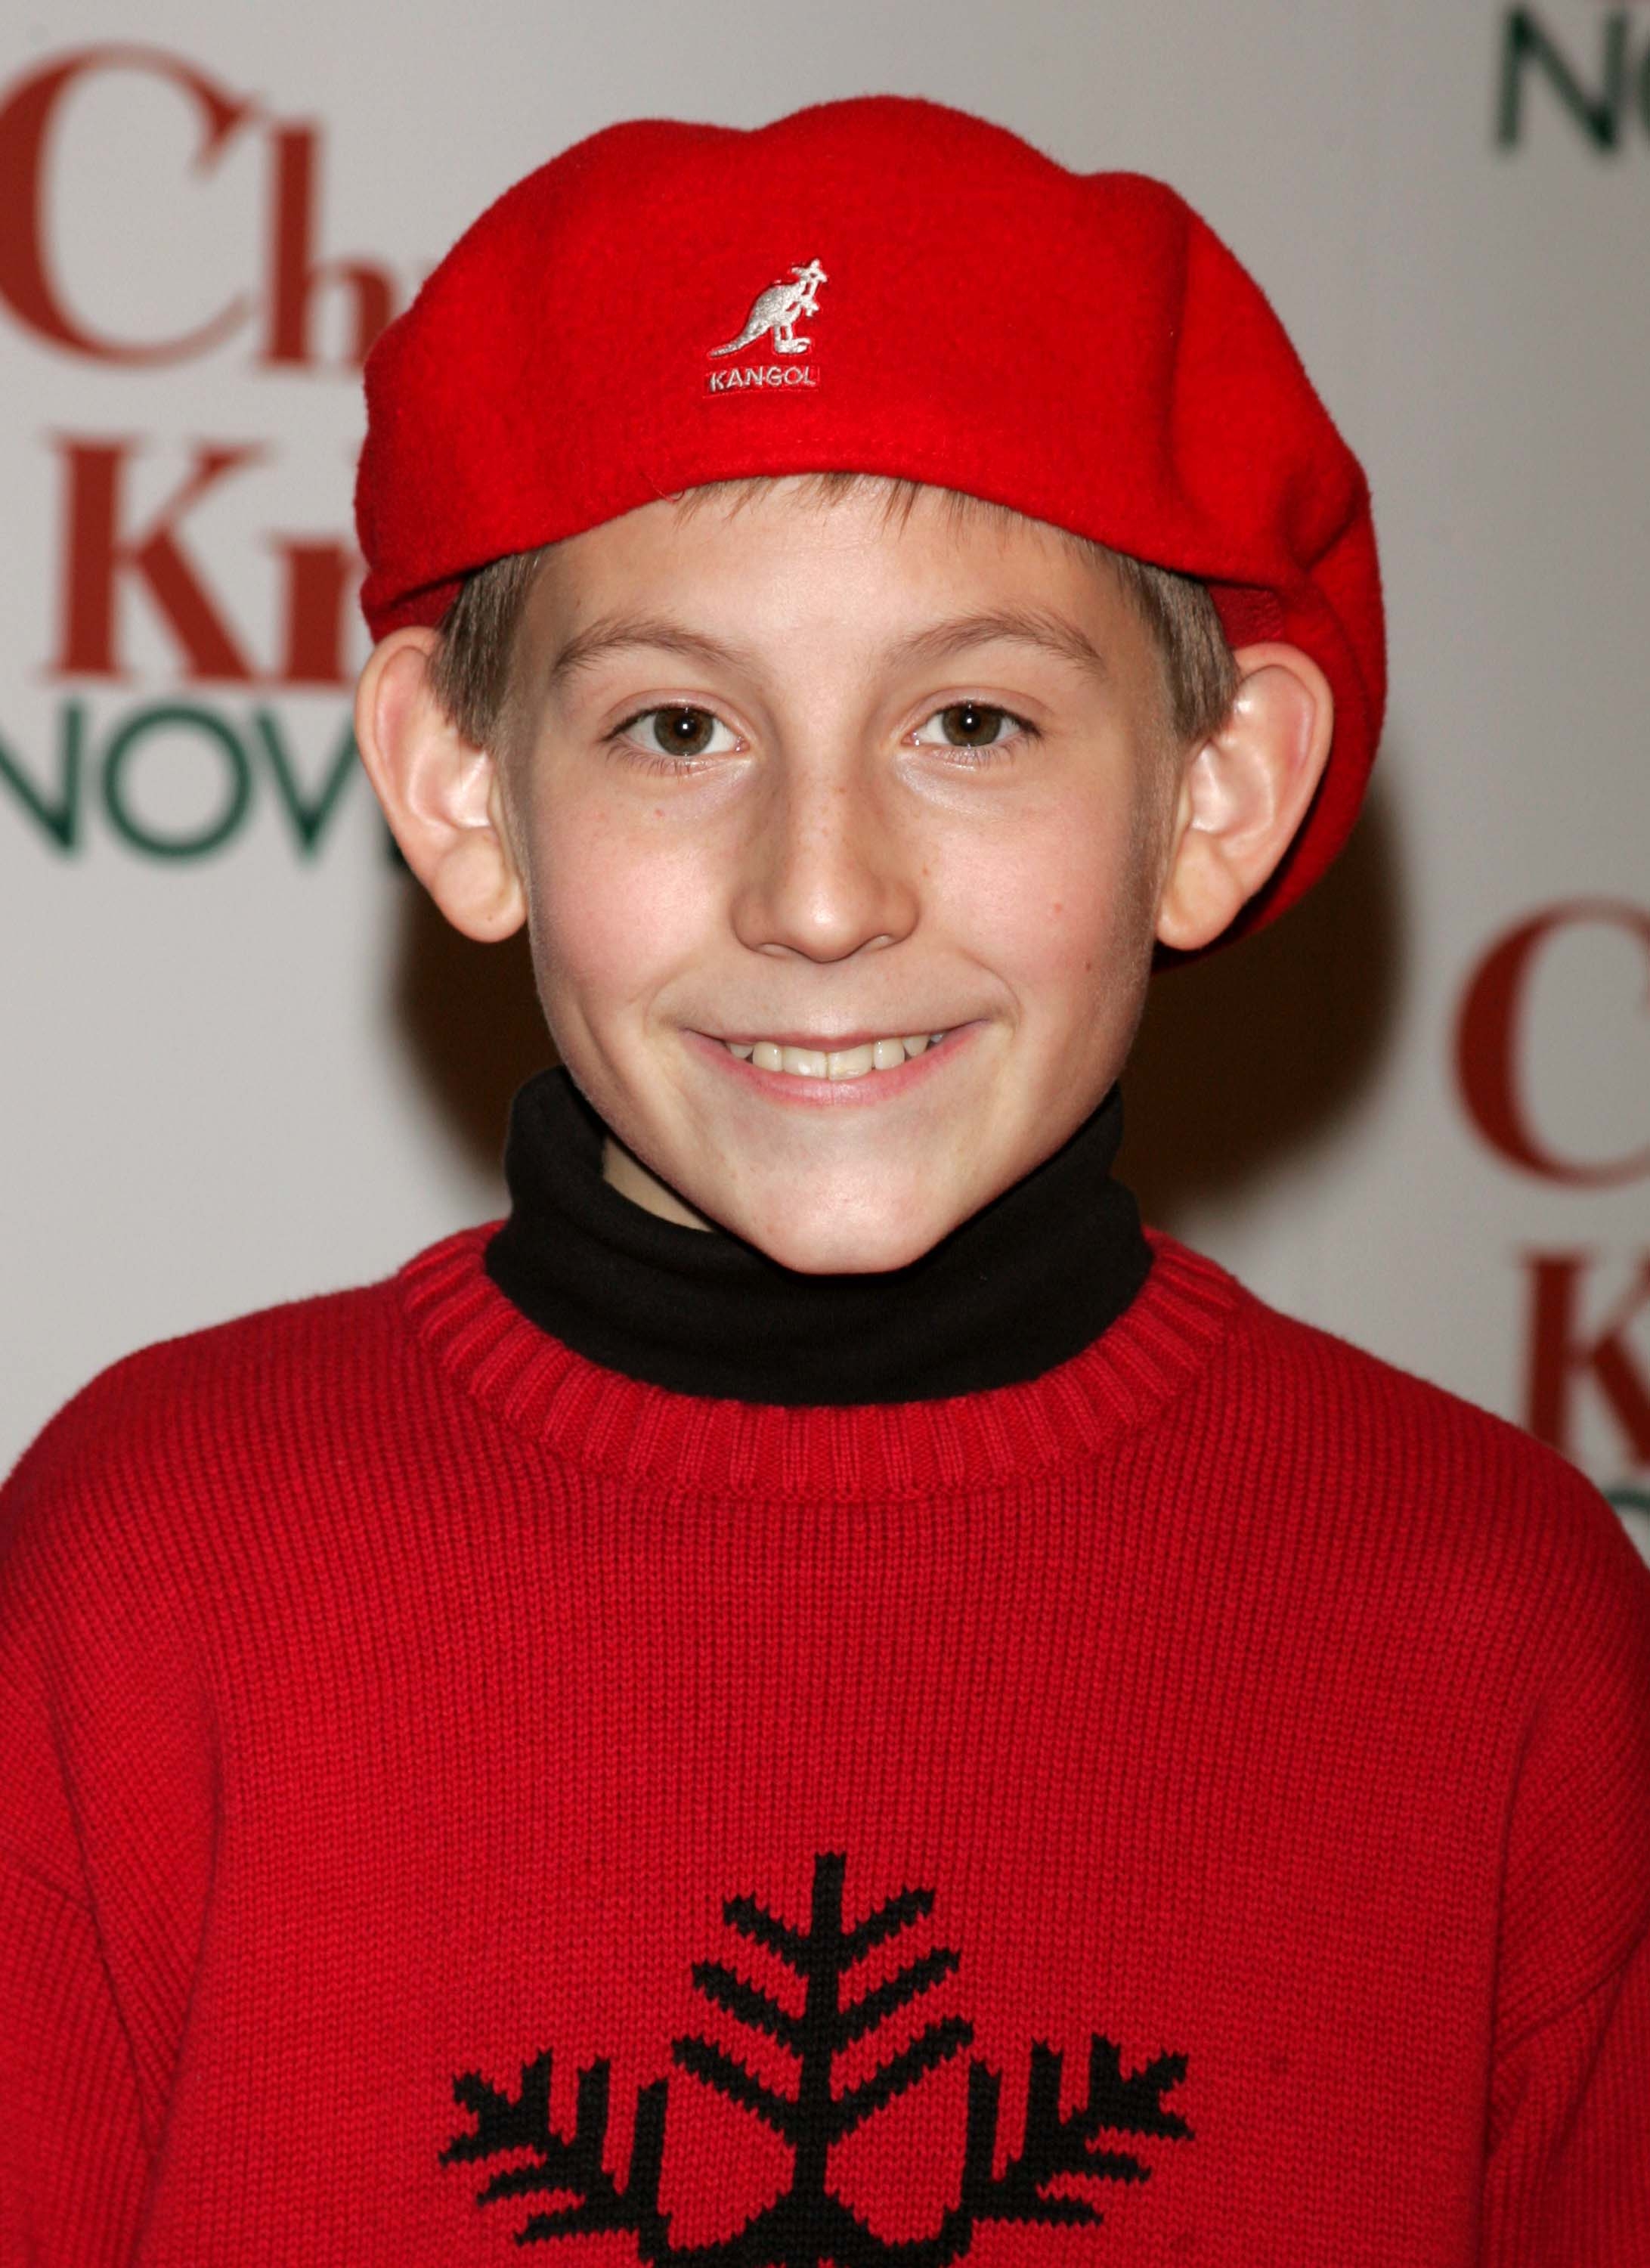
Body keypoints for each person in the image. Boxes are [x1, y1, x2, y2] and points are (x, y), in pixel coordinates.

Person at [2, 92, 1645, 2267]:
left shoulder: (1501, 1634)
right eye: (680, 728)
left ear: (1214, 796)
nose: (821, 892)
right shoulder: (147, 1580)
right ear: (465, 789)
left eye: (971, 723)